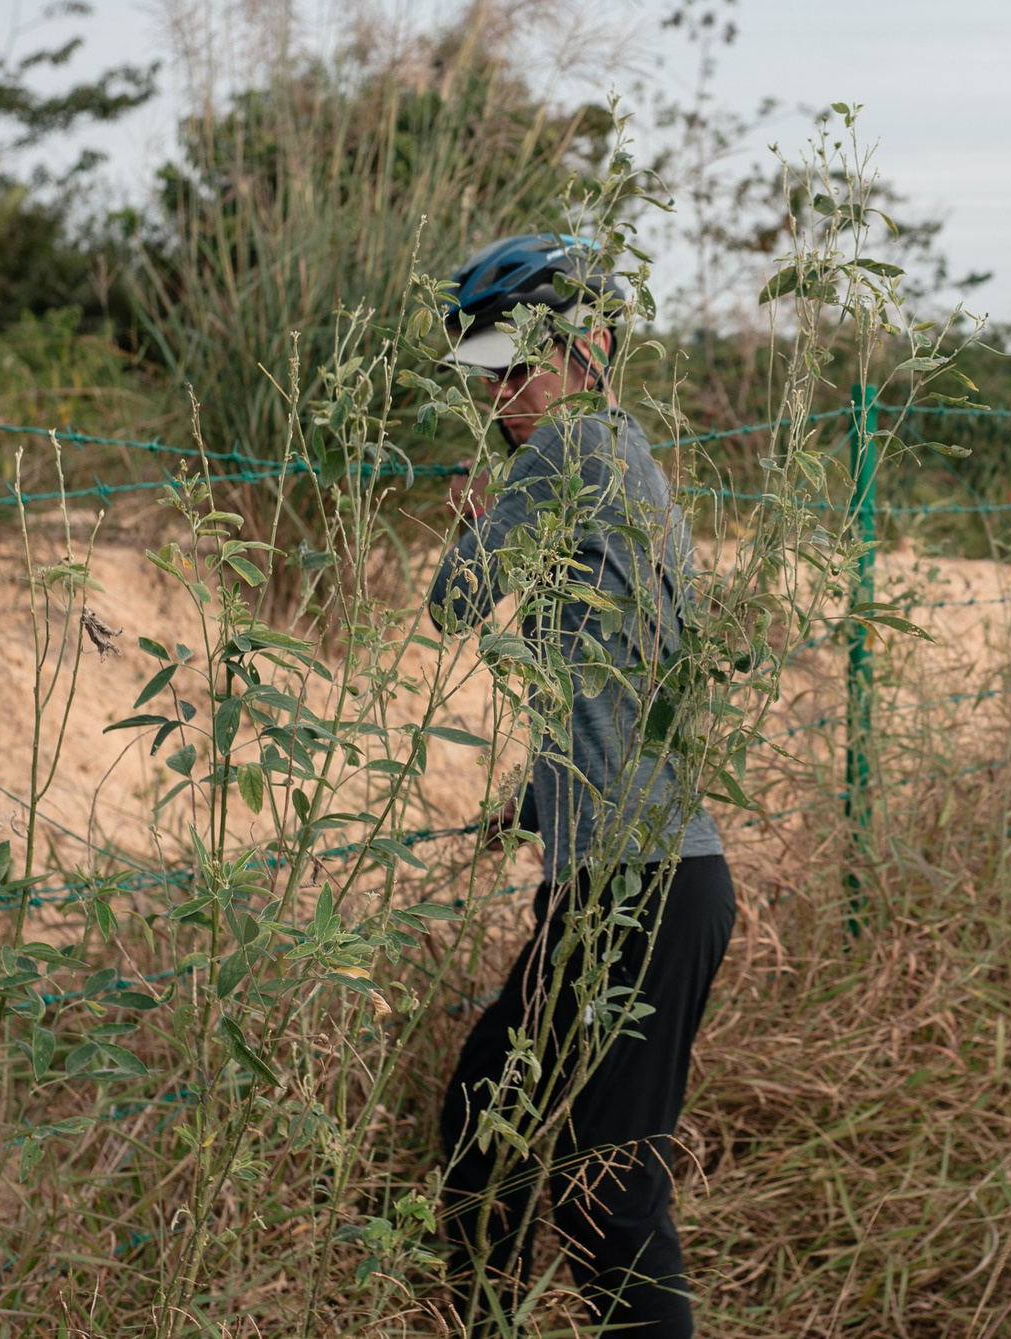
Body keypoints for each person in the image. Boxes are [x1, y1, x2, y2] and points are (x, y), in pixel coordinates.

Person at [425, 233, 734, 1338]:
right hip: (647, 871)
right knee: (487, 1113)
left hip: (635, 886)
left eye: (523, 367)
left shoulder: (565, 452)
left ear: (592, 346)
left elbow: (456, 603)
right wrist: (542, 793)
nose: (505, 396)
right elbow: (640, 666)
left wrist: (472, 524)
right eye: (493, 373)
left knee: (605, 1192)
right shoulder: (631, 459)